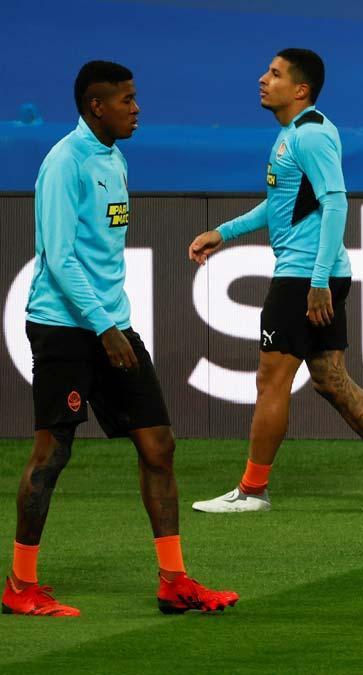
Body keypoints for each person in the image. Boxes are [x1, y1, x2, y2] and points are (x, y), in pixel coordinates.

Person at [4, 61, 238, 616]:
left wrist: (114, 323)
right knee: (52, 451)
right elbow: (58, 257)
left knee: (159, 445)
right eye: (127, 100)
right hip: (64, 326)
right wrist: (104, 327)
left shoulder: (115, 158)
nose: (136, 108)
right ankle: (20, 586)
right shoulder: (64, 163)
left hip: (112, 323)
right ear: (96, 106)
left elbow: (102, 256)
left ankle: (175, 580)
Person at [188, 49, 363, 514]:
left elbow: (337, 204)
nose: (262, 78)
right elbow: (281, 206)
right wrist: (222, 233)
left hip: (303, 278)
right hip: (318, 273)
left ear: (300, 89)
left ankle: (252, 491)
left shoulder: (310, 137)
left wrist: (316, 282)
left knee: (272, 381)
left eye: (273, 74)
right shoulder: (293, 136)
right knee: (331, 379)